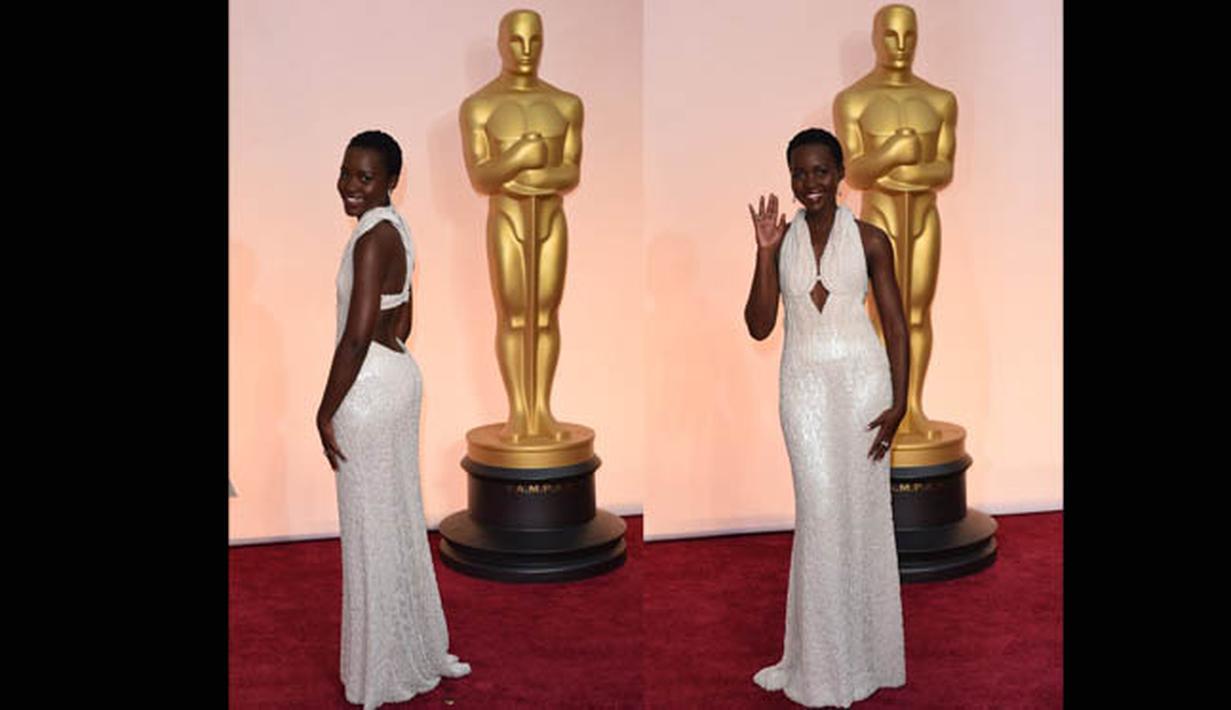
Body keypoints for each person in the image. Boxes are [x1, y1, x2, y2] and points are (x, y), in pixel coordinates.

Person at [744, 127, 909, 707]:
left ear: (841, 175)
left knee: (860, 516)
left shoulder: (871, 240)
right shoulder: (780, 239)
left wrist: (901, 402)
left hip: (865, 388)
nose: (809, 183)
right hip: (803, 392)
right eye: (799, 173)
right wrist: (764, 252)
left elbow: (895, 325)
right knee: (819, 514)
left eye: (820, 171)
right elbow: (760, 324)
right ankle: (818, 665)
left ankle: (864, 655)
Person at [316, 130, 470, 709]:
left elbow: (356, 339)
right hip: (400, 378)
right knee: (399, 518)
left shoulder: (368, 241)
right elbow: (401, 323)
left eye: (365, 177)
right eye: (346, 172)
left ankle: (381, 672)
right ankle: (417, 649)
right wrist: (383, 357)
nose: (351, 186)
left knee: (371, 529)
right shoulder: (397, 228)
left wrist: (324, 410)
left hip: (368, 391)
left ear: (389, 181)